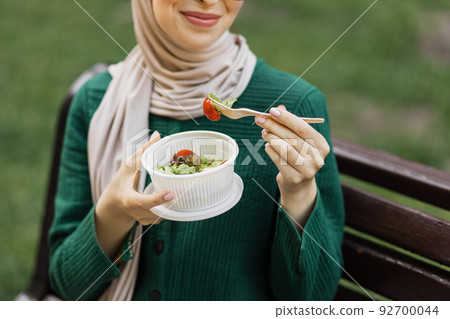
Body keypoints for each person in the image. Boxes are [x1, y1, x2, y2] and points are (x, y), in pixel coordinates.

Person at [49, 0, 344, 301]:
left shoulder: (292, 105)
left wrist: (300, 193)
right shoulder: (97, 101)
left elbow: (312, 300)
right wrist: (114, 211)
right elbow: (68, 287)